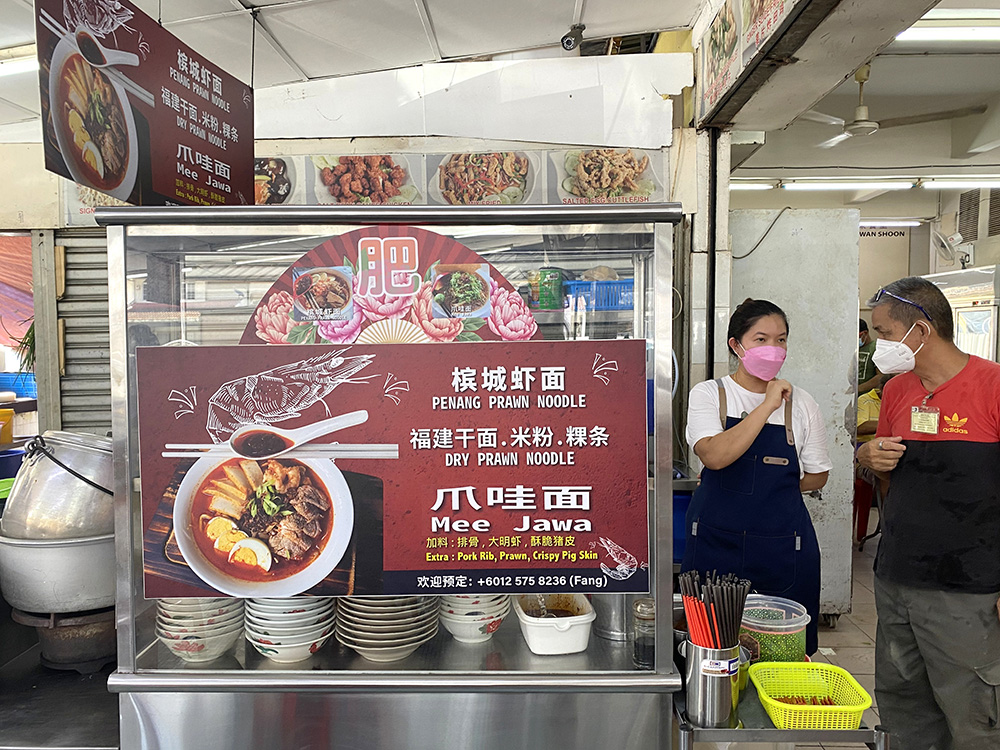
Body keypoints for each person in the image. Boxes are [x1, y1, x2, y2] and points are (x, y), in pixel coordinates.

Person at [857, 276, 1000, 750]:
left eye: (881, 331)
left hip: (967, 590)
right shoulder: (898, 391)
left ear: (919, 331)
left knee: (973, 714)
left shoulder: (993, 387)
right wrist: (868, 454)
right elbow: (889, 472)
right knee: (904, 709)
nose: (877, 343)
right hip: (898, 580)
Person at [683, 299, 831, 654]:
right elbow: (715, 456)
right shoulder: (711, 395)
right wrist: (766, 405)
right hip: (715, 545)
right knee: (714, 646)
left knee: (782, 653)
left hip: (782, 548)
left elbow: (818, 476)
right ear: (737, 345)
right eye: (761, 339)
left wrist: (772, 489)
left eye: (781, 340)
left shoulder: (803, 404)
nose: (773, 349)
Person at [858, 318, 884, 393]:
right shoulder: (852, 349)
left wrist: (859, 389)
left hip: (867, 399)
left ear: (864, 333)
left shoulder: (876, 348)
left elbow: (880, 376)